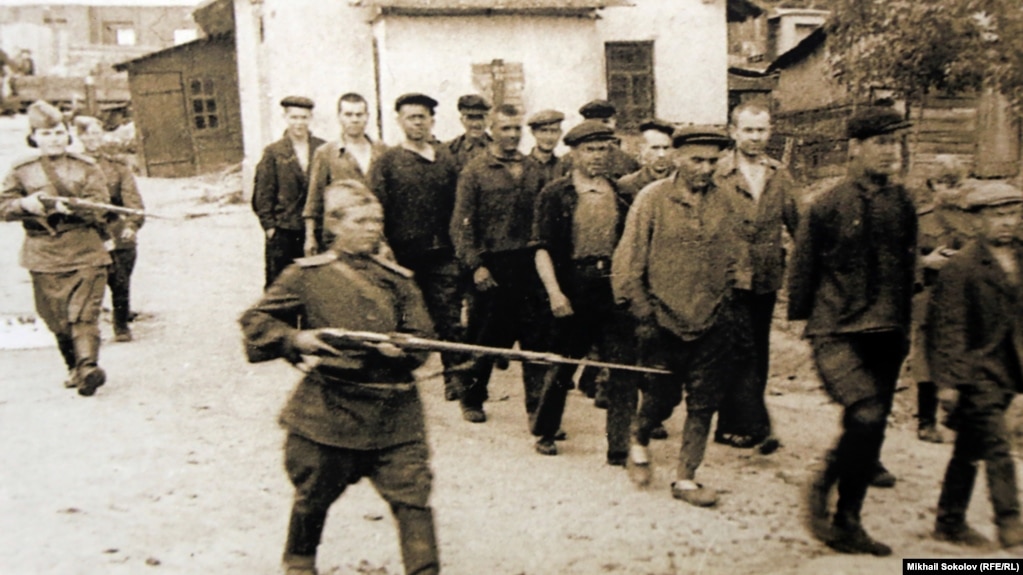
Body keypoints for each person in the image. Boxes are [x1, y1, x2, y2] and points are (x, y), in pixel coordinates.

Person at [240, 180, 440, 575]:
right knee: (312, 495)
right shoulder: (306, 276)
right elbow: (255, 320)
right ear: (333, 225)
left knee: (413, 497)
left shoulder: (399, 278)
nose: (373, 228)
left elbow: (425, 338)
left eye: (377, 220)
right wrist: (297, 338)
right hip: (330, 410)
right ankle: (298, 563)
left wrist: (405, 350)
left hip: (395, 412)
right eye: (361, 220)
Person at [789, 106, 917, 556]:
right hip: (837, 331)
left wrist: (904, 326)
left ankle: (848, 521)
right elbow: (802, 270)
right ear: (855, 148)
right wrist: (805, 323)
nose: (891, 152)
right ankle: (824, 481)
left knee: (873, 425)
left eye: (895, 143)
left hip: (887, 330)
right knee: (864, 414)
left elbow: (907, 266)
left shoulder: (902, 202)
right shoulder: (827, 205)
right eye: (881, 143)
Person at [613, 126, 752, 506]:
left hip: (711, 322)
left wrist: (727, 305)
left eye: (712, 160)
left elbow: (736, 260)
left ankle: (686, 478)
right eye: (696, 160)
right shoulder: (652, 199)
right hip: (662, 322)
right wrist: (644, 315)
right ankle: (638, 439)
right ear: (676, 157)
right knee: (661, 399)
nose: (705, 168)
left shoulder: (727, 201)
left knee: (704, 401)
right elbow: (628, 264)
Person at [530, 120, 639, 462]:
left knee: (623, 368)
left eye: (603, 149)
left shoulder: (622, 194)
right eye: (589, 149)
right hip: (573, 288)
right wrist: (555, 293)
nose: (597, 156)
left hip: (613, 289)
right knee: (564, 364)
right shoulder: (555, 194)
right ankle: (546, 430)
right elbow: (541, 248)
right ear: (574, 153)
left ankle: (619, 445)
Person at [928, 180, 1023, 550]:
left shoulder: (1020, 258)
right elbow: (949, 328)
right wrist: (949, 383)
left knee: (968, 449)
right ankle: (1010, 523)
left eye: (1012, 214)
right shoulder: (962, 267)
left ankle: (949, 521)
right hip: (975, 371)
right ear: (977, 221)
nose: (1006, 222)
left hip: (1010, 368)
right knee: (998, 446)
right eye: (997, 215)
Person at [0, 100, 112, 396]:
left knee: (84, 314)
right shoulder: (21, 171)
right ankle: (74, 368)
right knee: (56, 319)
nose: (54, 139)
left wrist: (73, 208)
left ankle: (89, 367)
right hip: (42, 254)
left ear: (68, 135)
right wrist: (25, 204)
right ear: (34, 136)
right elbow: (2, 206)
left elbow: (99, 206)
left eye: (59, 132)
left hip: (84, 249)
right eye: (46, 134)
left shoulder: (86, 167)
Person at [450, 104, 551, 424]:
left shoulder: (534, 170)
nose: (512, 135)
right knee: (484, 339)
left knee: (535, 342)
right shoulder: (476, 170)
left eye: (516, 129)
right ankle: (472, 398)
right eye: (505, 128)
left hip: (529, 266)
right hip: (492, 267)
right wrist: (476, 266)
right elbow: (461, 226)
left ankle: (538, 411)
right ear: (492, 129)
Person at [711, 102, 798, 454]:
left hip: (765, 277)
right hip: (727, 278)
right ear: (733, 132)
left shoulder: (780, 174)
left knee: (757, 351)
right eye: (748, 130)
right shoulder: (717, 172)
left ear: (770, 131)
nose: (756, 137)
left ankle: (734, 425)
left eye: (761, 130)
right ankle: (752, 424)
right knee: (739, 350)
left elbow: (798, 222)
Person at [370, 93, 467, 403]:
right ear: (400, 121)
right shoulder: (387, 161)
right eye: (411, 117)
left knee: (449, 318)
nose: (417, 122)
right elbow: (375, 208)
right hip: (403, 257)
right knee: (403, 321)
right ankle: (397, 380)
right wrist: (383, 247)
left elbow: (460, 205)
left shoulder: (446, 159)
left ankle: (455, 379)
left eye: (422, 117)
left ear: (431, 121)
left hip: (442, 255)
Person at [910, 156, 972, 443]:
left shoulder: (972, 220)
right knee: (925, 358)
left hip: (964, 299)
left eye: (956, 183)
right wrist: (926, 262)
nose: (951, 190)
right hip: (929, 296)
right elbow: (901, 258)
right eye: (944, 183)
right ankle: (926, 420)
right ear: (932, 185)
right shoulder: (919, 220)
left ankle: (957, 414)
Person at [74, 115, 145, 342]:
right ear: (80, 136)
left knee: (121, 276)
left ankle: (121, 323)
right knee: (85, 284)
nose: (93, 139)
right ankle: (86, 331)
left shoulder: (117, 167)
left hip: (113, 225)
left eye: (97, 133)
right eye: (88, 134)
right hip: (85, 229)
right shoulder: (72, 166)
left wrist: (132, 225)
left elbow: (133, 202)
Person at [252, 96, 326, 288]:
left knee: (316, 289)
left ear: (311, 118)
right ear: (285, 118)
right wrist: (271, 229)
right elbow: (262, 196)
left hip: (316, 231)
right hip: (284, 233)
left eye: (304, 118)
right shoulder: (274, 152)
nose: (299, 123)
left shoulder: (322, 148)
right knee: (282, 288)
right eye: (294, 117)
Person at [302, 93, 385, 256]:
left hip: (376, 235)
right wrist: (310, 237)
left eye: (359, 114)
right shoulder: (326, 153)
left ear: (367, 117)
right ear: (340, 117)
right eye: (348, 114)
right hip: (340, 238)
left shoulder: (382, 151)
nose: (354, 120)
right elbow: (314, 200)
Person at [617, 118, 675, 202]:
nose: (661, 154)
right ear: (642, 149)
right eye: (655, 148)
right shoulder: (627, 185)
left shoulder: (682, 182)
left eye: (666, 148)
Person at [446, 94, 492, 173]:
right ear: (462, 120)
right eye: (470, 118)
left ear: (488, 120)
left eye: (480, 117)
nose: (475, 124)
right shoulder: (449, 150)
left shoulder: (498, 148)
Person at [526, 109, 564, 182]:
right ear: (533, 132)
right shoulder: (522, 166)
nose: (549, 137)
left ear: (560, 133)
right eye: (543, 131)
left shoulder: (564, 167)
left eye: (554, 131)